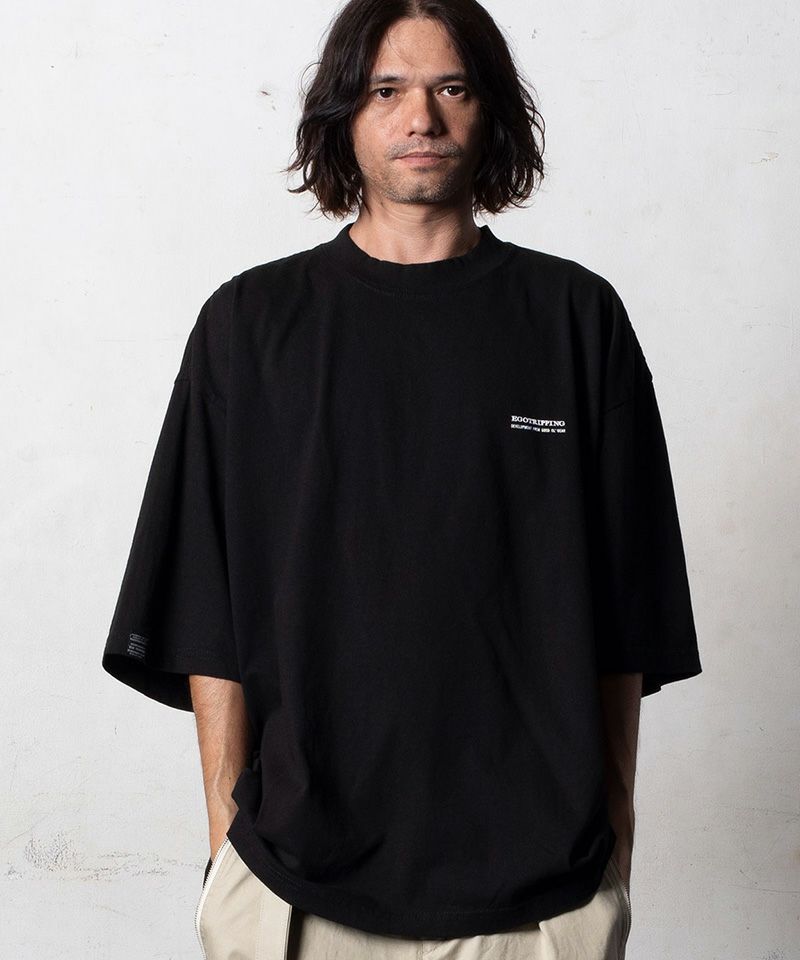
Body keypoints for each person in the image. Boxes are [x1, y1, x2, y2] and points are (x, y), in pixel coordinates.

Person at [102, 1, 703, 958]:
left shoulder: (576, 321)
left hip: (539, 894)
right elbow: (204, 613)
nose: (420, 117)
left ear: (490, 111)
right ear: (344, 113)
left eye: (450, 88)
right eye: (386, 90)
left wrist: (614, 846)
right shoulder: (249, 327)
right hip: (294, 884)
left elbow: (625, 616)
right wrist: (226, 848)